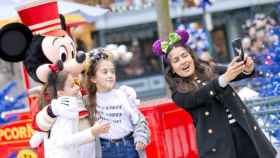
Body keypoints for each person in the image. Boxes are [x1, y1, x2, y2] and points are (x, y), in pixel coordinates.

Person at [152, 29, 276, 158]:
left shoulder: (210, 69)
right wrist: (224, 79)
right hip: (219, 146)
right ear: (171, 69)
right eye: (176, 60)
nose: (183, 61)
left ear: (191, 56)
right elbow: (200, 95)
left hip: (244, 132)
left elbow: (234, 74)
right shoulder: (179, 94)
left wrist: (246, 68)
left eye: (184, 55)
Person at [84, 49, 150, 158]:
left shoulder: (124, 94)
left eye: (112, 71)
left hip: (129, 147)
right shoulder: (86, 101)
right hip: (105, 150)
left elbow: (140, 121)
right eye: (105, 72)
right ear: (93, 78)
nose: (110, 75)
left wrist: (140, 138)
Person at [30, 70, 110, 158]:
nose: (77, 87)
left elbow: (34, 142)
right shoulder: (65, 111)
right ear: (60, 93)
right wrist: (93, 131)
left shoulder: (73, 106)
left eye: (76, 83)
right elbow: (64, 141)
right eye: (72, 86)